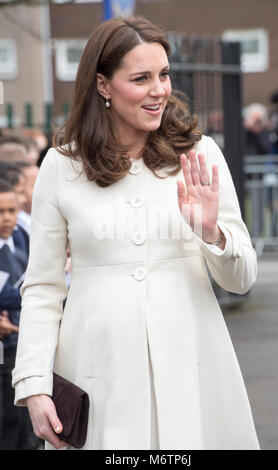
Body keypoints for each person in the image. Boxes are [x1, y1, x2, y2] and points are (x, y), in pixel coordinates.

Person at [12, 17, 259, 450]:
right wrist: (33, 383)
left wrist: (211, 233)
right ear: (103, 85)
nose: (159, 90)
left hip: (194, 362)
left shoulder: (199, 153)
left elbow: (242, 278)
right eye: (141, 78)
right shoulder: (61, 166)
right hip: (97, 369)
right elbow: (43, 287)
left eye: (163, 74)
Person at [0, 180, 38, 449]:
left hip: (20, 339)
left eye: (12, 211)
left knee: (21, 414)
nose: (7, 219)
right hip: (6, 340)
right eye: (0, 212)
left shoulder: (20, 238)